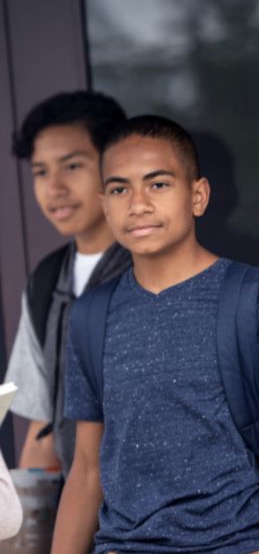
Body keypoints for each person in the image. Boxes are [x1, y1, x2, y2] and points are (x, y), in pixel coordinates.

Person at [51, 115, 259, 554]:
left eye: (158, 184)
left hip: (236, 543)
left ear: (197, 196)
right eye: (120, 189)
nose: (137, 204)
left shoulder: (255, 300)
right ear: (104, 204)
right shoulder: (90, 316)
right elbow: (85, 469)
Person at [3, 92, 130, 474]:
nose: (54, 187)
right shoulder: (46, 283)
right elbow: (43, 431)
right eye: (41, 171)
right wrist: (29, 530)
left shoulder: (158, 268)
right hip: (84, 519)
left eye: (71, 166)